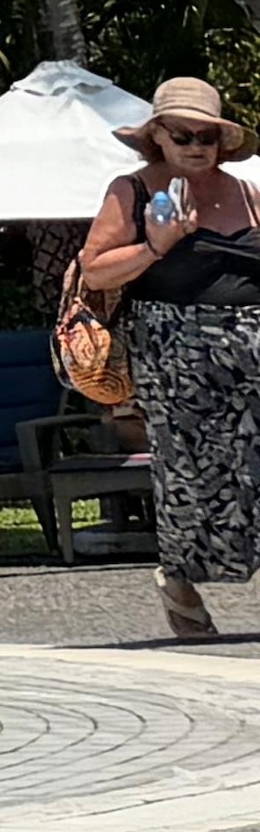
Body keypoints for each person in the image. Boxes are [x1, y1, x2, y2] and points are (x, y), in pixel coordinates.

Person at [76, 75, 260, 642]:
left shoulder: (248, 192)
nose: (196, 145)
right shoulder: (131, 190)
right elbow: (95, 269)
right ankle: (180, 582)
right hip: (177, 356)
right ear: (158, 135)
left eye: (207, 135)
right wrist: (157, 245)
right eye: (182, 134)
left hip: (251, 350)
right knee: (192, 474)